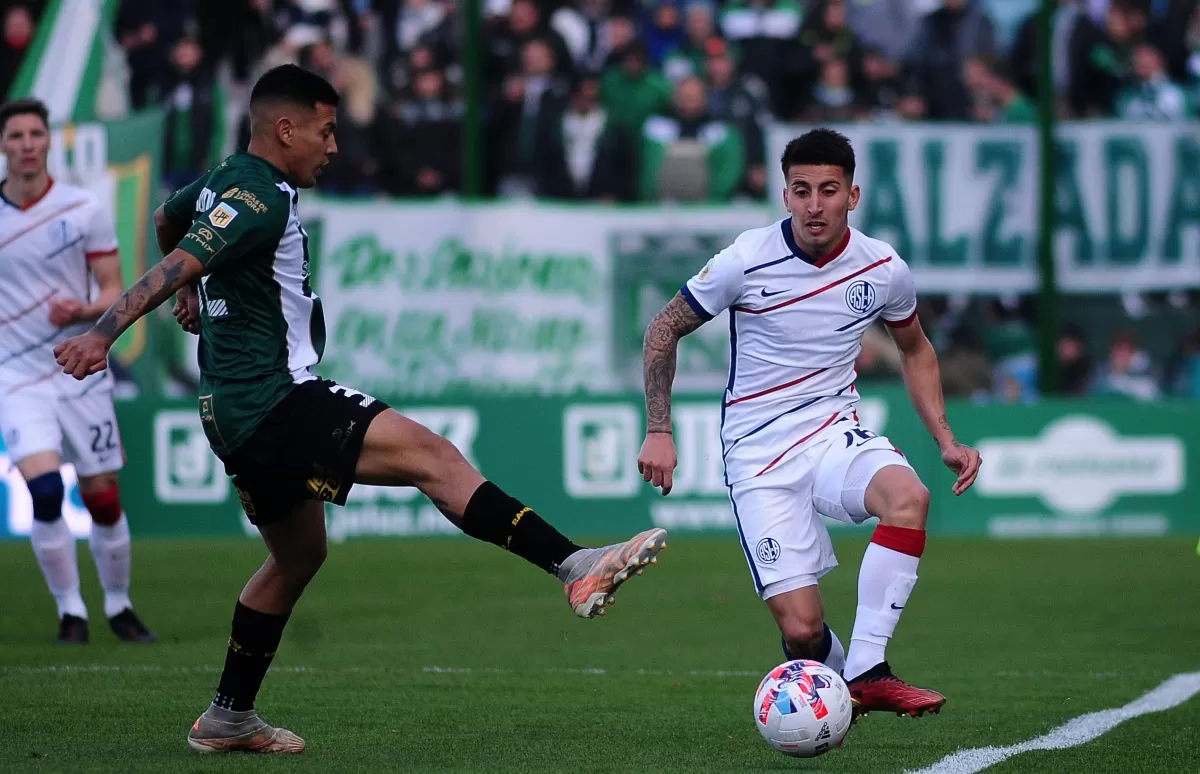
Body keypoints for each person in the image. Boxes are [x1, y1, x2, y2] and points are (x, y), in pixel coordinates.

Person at [53, 64, 668, 754]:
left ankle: (227, 716)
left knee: (297, 557)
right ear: (287, 129)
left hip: (229, 410)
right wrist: (105, 333)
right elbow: (175, 264)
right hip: (274, 399)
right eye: (326, 129)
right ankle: (573, 568)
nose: (334, 145)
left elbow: (170, 220)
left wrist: (196, 295)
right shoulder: (259, 198)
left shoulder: (225, 178)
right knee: (433, 458)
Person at [637, 129, 981, 720]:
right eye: (801, 191)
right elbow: (663, 328)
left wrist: (944, 438)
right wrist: (659, 428)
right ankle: (838, 691)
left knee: (908, 497)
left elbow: (916, 348)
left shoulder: (882, 267)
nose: (814, 204)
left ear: (853, 194)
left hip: (831, 431)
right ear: (785, 195)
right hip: (757, 450)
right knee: (801, 632)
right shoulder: (744, 260)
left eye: (828, 190)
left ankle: (869, 670)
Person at [0, 98, 156, 646]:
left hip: (79, 365)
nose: (25, 144)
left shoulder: (82, 207)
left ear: (48, 142)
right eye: (15, 135)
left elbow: (113, 288)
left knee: (102, 496)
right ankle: (71, 611)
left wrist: (82, 310)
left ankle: (119, 604)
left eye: (34, 134)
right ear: (3, 145)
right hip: (15, 375)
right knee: (44, 492)